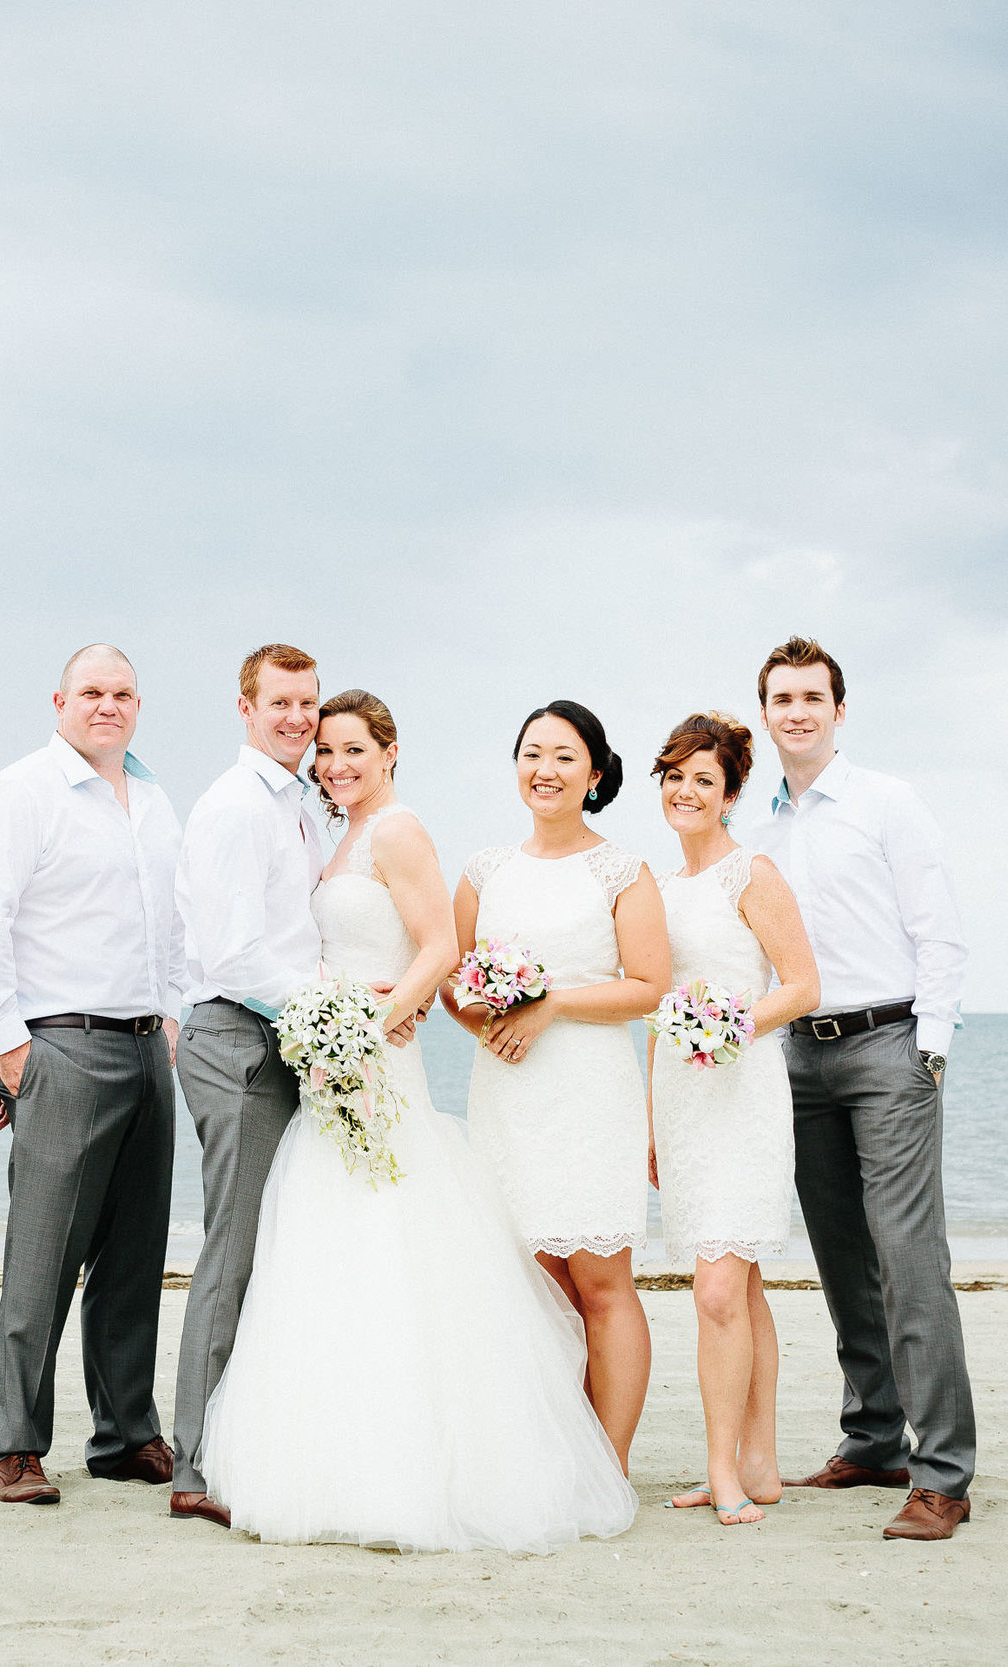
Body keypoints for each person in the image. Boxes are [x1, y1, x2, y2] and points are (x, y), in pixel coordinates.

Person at [199, 691, 637, 1552]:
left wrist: (378, 1016)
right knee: (334, 1258)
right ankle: (334, 1462)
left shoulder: (397, 830)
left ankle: (429, 1471)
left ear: (390, 751)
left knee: (397, 1249)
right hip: (340, 1070)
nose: (335, 764)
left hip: (379, 1066)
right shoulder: (339, 840)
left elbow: (440, 948)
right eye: (326, 751)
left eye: (354, 749)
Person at [0, 644, 185, 1506]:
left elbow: (175, 926)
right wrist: (7, 1045)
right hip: (60, 1043)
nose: (108, 705)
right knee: (43, 1254)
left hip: (146, 1045)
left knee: (133, 1256)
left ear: (138, 703)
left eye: (123, 692)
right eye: (92, 691)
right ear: (59, 702)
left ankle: (124, 1433)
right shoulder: (22, 793)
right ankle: (16, 1442)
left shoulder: (154, 803)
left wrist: (174, 1019)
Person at [749, 636, 975, 1542]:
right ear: (763, 713)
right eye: (781, 698)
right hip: (797, 1059)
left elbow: (940, 927)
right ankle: (874, 1438)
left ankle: (943, 1473)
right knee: (844, 1261)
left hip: (889, 1049)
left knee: (911, 1260)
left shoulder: (889, 802)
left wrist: (932, 1049)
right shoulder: (755, 826)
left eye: (812, 696)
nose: (796, 711)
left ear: (840, 710)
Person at [443, 700, 668, 1470]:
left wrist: (554, 1004)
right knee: (533, 1283)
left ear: (596, 774)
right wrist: (490, 1023)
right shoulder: (484, 871)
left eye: (566, 756)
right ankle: (552, 1455)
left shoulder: (622, 871)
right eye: (532, 753)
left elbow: (649, 986)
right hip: (508, 1091)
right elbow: (454, 983)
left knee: (602, 1281)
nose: (546, 769)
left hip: (589, 1090)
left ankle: (610, 1461)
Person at [645, 712, 820, 1525]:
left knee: (717, 1288)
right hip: (682, 1099)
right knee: (737, 1287)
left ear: (731, 792)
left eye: (703, 779)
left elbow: (801, 984)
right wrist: (650, 1120)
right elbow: (652, 1005)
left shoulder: (751, 872)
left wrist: (731, 1026)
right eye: (675, 775)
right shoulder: (660, 884)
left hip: (743, 1091)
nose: (686, 790)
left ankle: (720, 1471)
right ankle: (759, 1463)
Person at [167, 643, 327, 1528]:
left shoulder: (298, 804)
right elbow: (232, 954)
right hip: (239, 1040)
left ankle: (246, 1440)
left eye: (307, 702)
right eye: (281, 702)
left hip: (285, 1037)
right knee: (234, 1247)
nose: (298, 717)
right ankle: (194, 1464)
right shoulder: (235, 806)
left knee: (278, 1247)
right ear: (245, 706)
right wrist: (333, 1004)